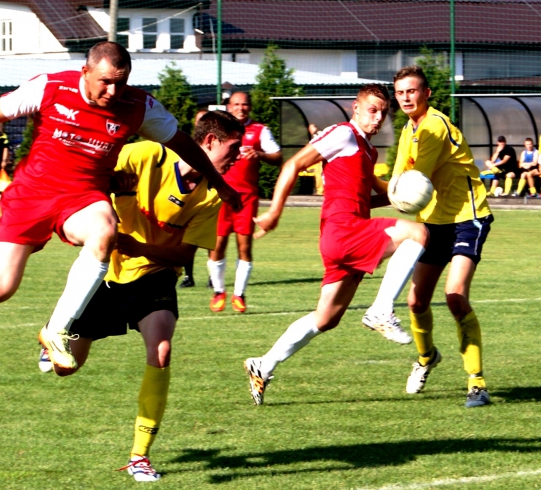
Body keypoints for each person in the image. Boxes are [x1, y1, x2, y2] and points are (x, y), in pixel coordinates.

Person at [0, 41, 241, 374]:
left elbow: (183, 142)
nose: (114, 91)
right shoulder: (50, 87)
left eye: (121, 81)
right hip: (31, 195)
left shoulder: (138, 106)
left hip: (82, 196)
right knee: (2, 289)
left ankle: (56, 330)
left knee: (105, 232)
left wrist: (220, 183)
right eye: (105, 81)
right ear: (85, 72)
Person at [40, 112, 244, 481]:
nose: (239, 155)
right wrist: (109, 187)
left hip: (155, 278)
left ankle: (139, 456)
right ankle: (53, 333)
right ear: (210, 142)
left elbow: (183, 257)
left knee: (161, 351)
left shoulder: (211, 196)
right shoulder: (149, 154)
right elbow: (91, 174)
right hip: (106, 276)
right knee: (66, 369)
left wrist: (135, 244)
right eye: (234, 147)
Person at [244, 83, 427, 405]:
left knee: (326, 319)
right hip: (343, 231)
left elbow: (365, 200)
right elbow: (292, 165)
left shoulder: (367, 151)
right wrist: (274, 211)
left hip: (345, 233)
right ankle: (381, 310)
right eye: (372, 110)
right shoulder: (343, 134)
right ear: (355, 109)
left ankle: (263, 364)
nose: (378, 117)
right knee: (419, 234)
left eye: (383, 113)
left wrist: (405, 194)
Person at [392, 66, 494, 408]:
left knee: (454, 296)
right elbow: (398, 183)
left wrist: (397, 195)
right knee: (415, 302)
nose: (406, 97)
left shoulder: (433, 126)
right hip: (433, 221)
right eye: (400, 92)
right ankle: (426, 358)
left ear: (427, 94)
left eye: (412, 91)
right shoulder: (409, 129)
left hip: (468, 216)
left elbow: (414, 179)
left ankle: (476, 384)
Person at [208, 92, 282, 313]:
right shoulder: (219, 128)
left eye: (245, 104)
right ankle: (219, 291)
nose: (241, 108)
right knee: (217, 245)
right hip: (220, 195)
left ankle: (239, 295)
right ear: (228, 107)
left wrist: (259, 154)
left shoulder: (259, 130)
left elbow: (278, 157)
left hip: (246, 198)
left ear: (250, 107)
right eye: (236, 104)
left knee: (244, 247)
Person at [178, 108, 209, 289]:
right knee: (184, 238)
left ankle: (214, 278)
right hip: (186, 198)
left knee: (209, 239)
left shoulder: (213, 145)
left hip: (205, 197)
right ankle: (188, 276)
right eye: (199, 120)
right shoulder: (185, 143)